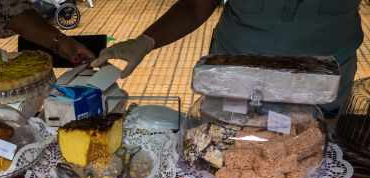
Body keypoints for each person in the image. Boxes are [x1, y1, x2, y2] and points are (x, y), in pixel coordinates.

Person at [92, 0, 362, 115]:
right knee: (223, 159)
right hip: (235, 82)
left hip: (322, 88)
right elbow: (196, 5)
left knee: (313, 164)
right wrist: (146, 41)